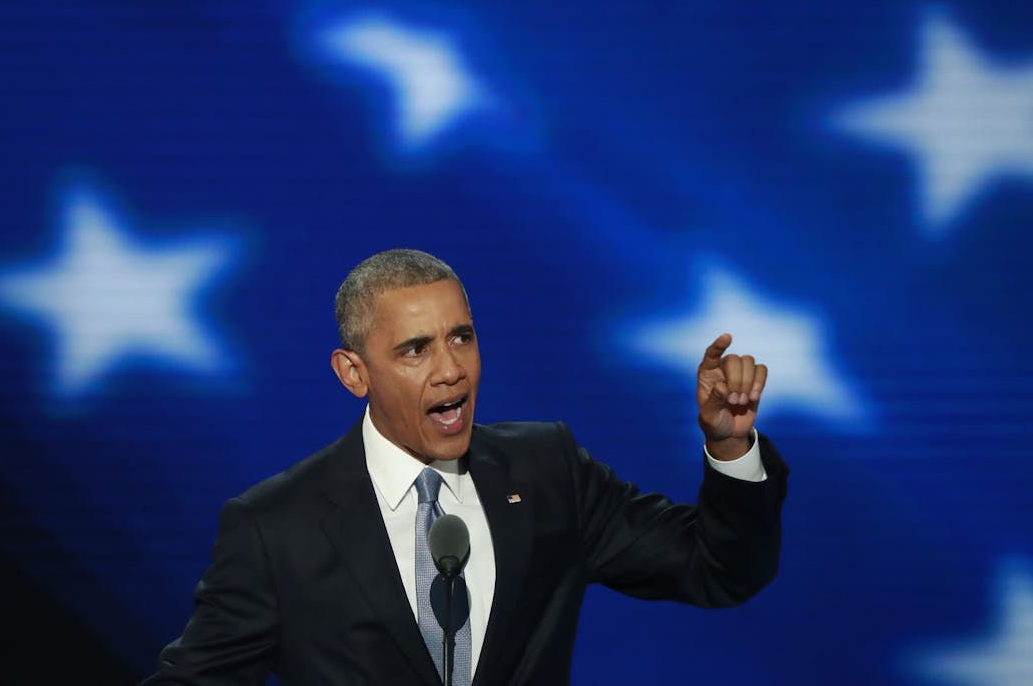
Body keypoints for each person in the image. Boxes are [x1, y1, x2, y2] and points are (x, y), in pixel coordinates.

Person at [141, 249, 788, 686]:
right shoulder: (276, 528)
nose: (451, 368)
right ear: (354, 373)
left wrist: (730, 448)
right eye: (415, 348)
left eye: (462, 336)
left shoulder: (545, 471)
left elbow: (721, 570)